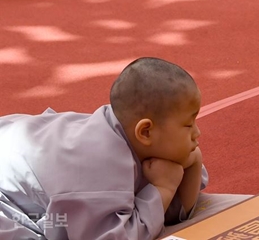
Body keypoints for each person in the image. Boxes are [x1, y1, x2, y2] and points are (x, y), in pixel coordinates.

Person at [0, 57, 207, 239]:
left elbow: (173, 212)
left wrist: (193, 163)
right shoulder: (98, 167)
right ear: (145, 132)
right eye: (188, 125)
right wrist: (163, 189)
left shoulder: (133, 139)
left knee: (61, 223)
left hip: (26, 175)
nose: (197, 133)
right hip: (6, 198)